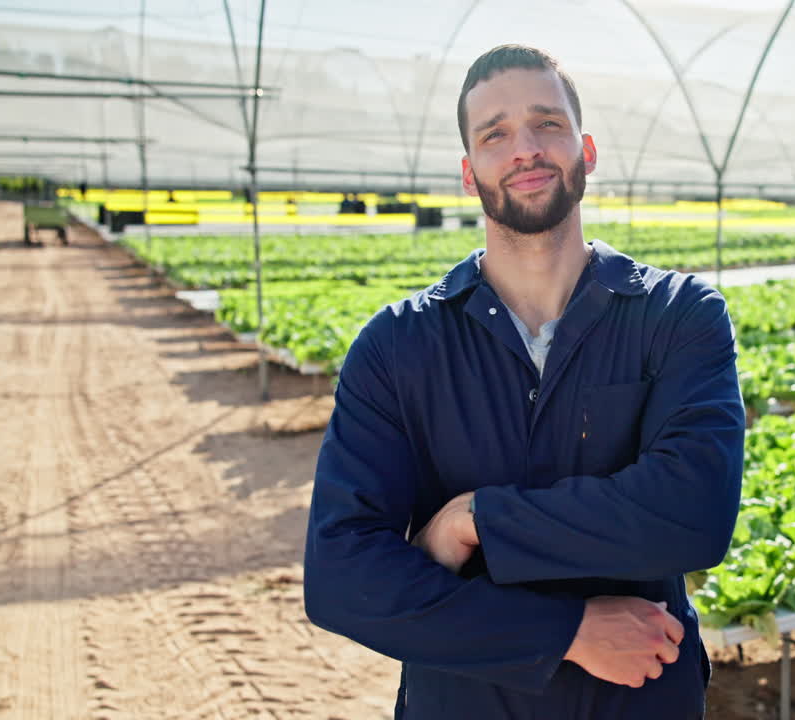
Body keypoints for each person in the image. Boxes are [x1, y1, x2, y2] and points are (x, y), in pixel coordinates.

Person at [303, 45, 744, 720]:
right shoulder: (399, 347)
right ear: (467, 171)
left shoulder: (677, 316)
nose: (525, 149)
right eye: (496, 134)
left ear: (586, 150)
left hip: (638, 700)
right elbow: (342, 577)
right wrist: (565, 633)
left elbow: (694, 515)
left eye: (548, 124)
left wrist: (478, 520)